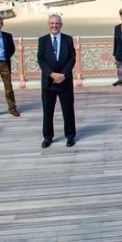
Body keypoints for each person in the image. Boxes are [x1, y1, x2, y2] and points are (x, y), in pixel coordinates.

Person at [37, 14, 76, 148]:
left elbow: (72, 58)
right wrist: (52, 74)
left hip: (65, 82)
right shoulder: (42, 40)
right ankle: (48, 137)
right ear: (48, 25)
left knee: (68, 111)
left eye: (57, 23)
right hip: (48, 83)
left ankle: (70, 136)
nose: (54, 26)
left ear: (61, 25)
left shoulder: (68, 39)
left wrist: (63, 75)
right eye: (52, 23)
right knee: (48, 112)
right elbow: (41, 60)